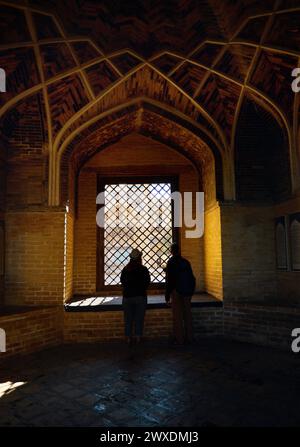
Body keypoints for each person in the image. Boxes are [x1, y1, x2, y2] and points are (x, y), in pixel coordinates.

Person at [165, 243, 196, 345]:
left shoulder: (171, 262)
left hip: (176, 291)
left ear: (171, 251)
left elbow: (169, 280)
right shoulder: (186, 262)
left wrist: (167, 295)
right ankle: (190, 338)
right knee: (188, 314)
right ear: (179, 251)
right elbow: (192, 277)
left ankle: (180, 339)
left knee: (177, 316)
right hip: (187, 291)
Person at [120, 248, 150, 345]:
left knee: (128, 319)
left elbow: (122, 281)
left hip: (127, 297)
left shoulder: (125, 269)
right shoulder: (144, 269)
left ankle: (128, 338)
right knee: (139, 319)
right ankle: (138, 337)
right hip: (140, 297)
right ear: (140, 258)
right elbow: (147, 283)